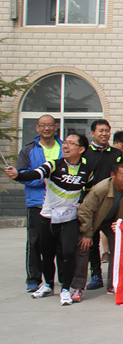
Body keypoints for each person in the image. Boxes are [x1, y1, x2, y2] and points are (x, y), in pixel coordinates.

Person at [5, 134, 93, 306]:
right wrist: (17, 175)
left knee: (68, 254)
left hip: (69, 219)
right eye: (65, 143)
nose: (65, 146)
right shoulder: (53, 165)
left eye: (70, 143)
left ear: (81, 149)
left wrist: (80, 203)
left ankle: (66, 289)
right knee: (47, 254)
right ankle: (48, 285)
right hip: (48, 217)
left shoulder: (87, 170)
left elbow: (89, 189)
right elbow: (35, 174)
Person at [72, 161, 123, 300]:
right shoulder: (100, 189)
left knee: (118, 247)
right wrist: (87, 234)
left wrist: (120, 225)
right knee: (84, 248)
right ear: (113, 176)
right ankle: (77, 287)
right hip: (93, 219)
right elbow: (85, 211)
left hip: (112, 221)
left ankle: (113, 284)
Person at [15, 114, 62, 293]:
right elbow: (21, 175)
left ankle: (61, 279)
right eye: (43, 125)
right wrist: (42, 180)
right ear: (37, 128)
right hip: (37, 203)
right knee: (35, 242)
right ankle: (34, 279)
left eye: (50, 125)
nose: (46, 128)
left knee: (61, 244)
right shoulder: (28, 150)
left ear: (55, 127)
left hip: (60, 203)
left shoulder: (64, 147)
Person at [82, 119, 123, 289]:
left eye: (107, 131)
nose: (104, 134)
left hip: (112, 206)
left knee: (115, 243)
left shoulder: (116, 154)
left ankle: (113, 280)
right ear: (93, 133)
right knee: (91, 243)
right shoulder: (85, 154)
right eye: (101, 131)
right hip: (91, 206)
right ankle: (96, 275)